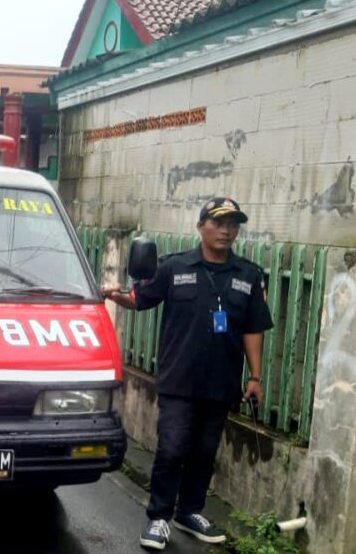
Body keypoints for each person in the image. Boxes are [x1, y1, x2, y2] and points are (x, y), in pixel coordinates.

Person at [102, 197, 272, 551]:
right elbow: (141, 298)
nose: (226, 230)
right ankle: (159, 516)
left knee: (204, 451)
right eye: (218, 222)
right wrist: (116, 296)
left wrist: (255, 378)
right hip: (179, 379)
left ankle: (189, 511)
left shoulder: (248, 275)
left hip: (221, 381)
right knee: (173, 448)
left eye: (233, 224)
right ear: (200, 227)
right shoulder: (174, 267)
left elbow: (253, 329)